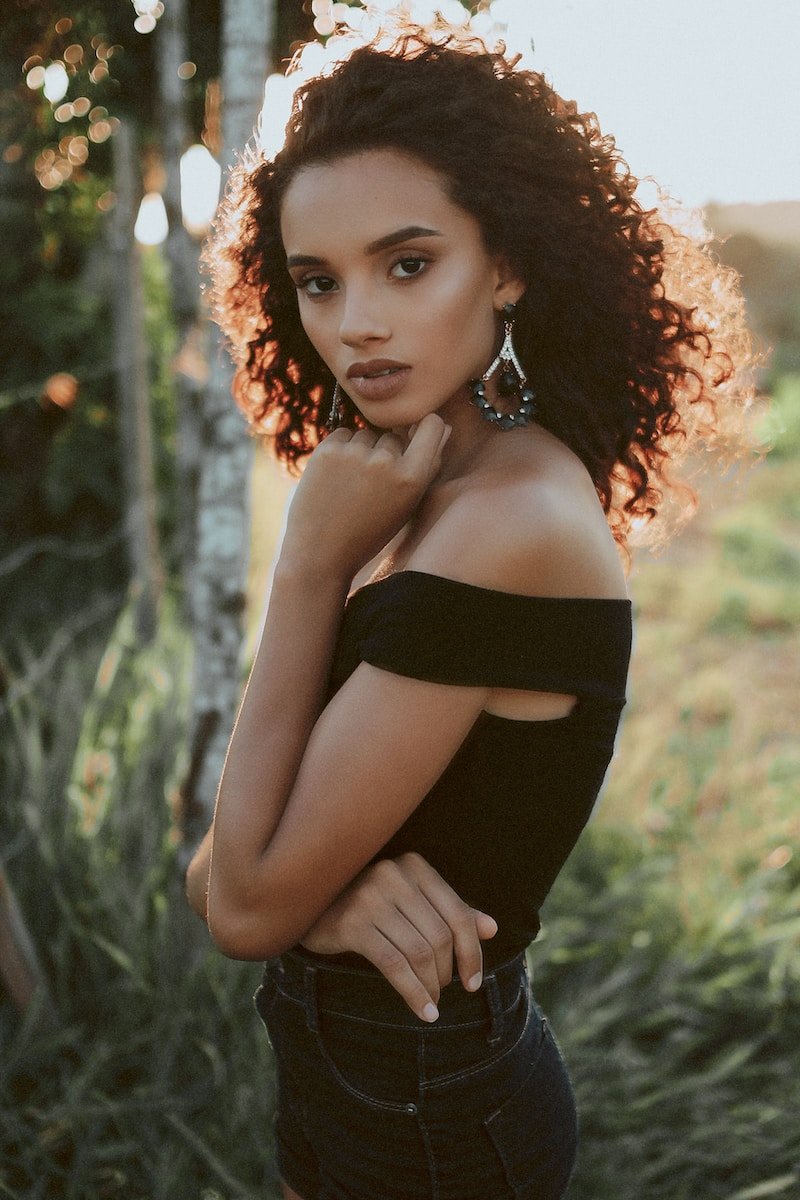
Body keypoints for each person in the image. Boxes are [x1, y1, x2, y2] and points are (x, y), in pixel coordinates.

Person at [186, 16, 755, 1199]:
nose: (356, 325)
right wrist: (323, 898)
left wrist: (304, 568)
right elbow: (229, 869)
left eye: (407, 264)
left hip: (428, 1112)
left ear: (505, 262)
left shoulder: (511, 524)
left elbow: (236, 900)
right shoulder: (435, 479)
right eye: (316, 282)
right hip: (365, 1075)